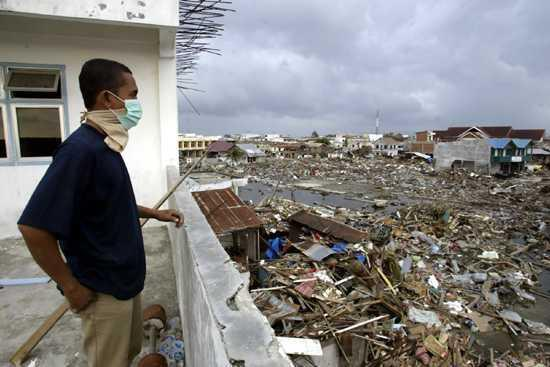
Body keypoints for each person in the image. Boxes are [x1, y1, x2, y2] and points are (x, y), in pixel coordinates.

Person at [17, 58, 183, 367]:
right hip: (102, 290)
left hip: (124, 284)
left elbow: (106, 203)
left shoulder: (106, 146)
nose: (136, 104)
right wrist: (70, 286)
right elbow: (33, 227)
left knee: (127, 353)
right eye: (132, 95)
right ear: (108, 98)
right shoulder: (80, 151)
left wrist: (154, 213)